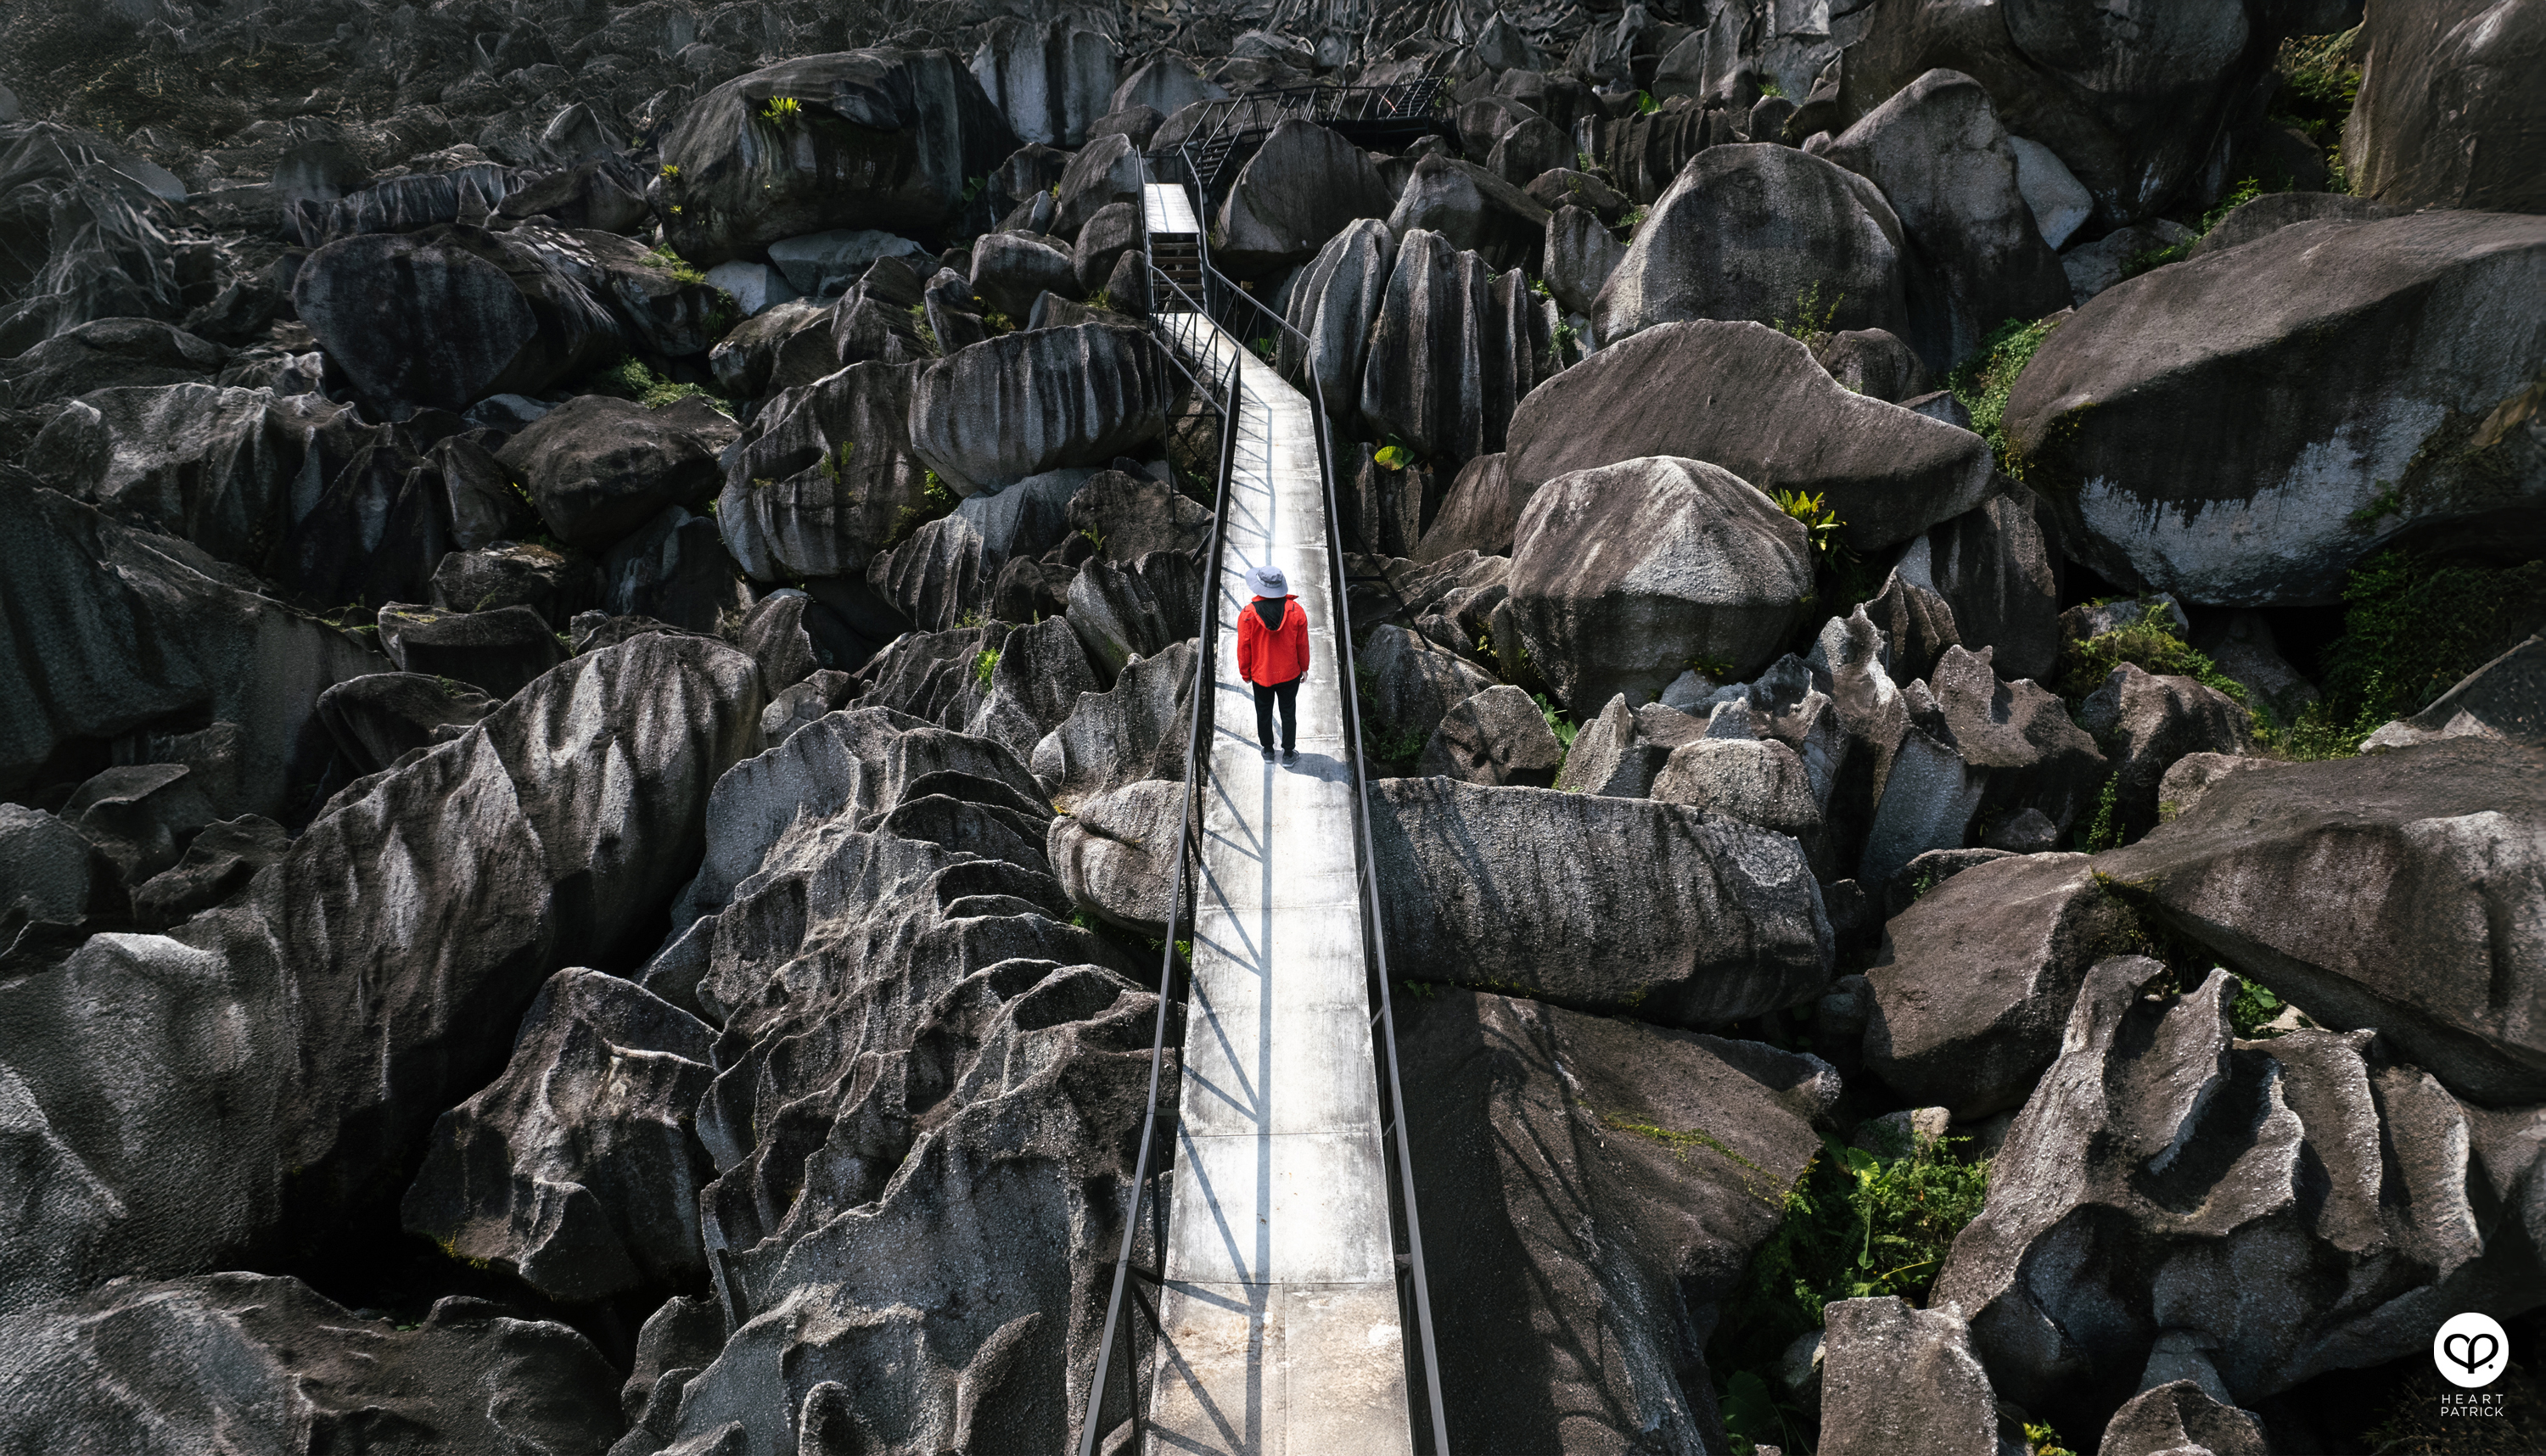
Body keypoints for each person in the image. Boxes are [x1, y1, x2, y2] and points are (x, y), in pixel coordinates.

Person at [1236, 563, 1309, 764]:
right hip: (1289, 673)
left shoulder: (1248, 615)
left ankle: (1268, 750)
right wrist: (1304, 667)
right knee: (1288, 711)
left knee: (1263, 711)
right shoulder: (1296, 611)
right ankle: (1288, 753)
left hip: (1261, 675)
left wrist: (1245, 673)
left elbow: (1244, 647)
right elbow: (1302, 644)